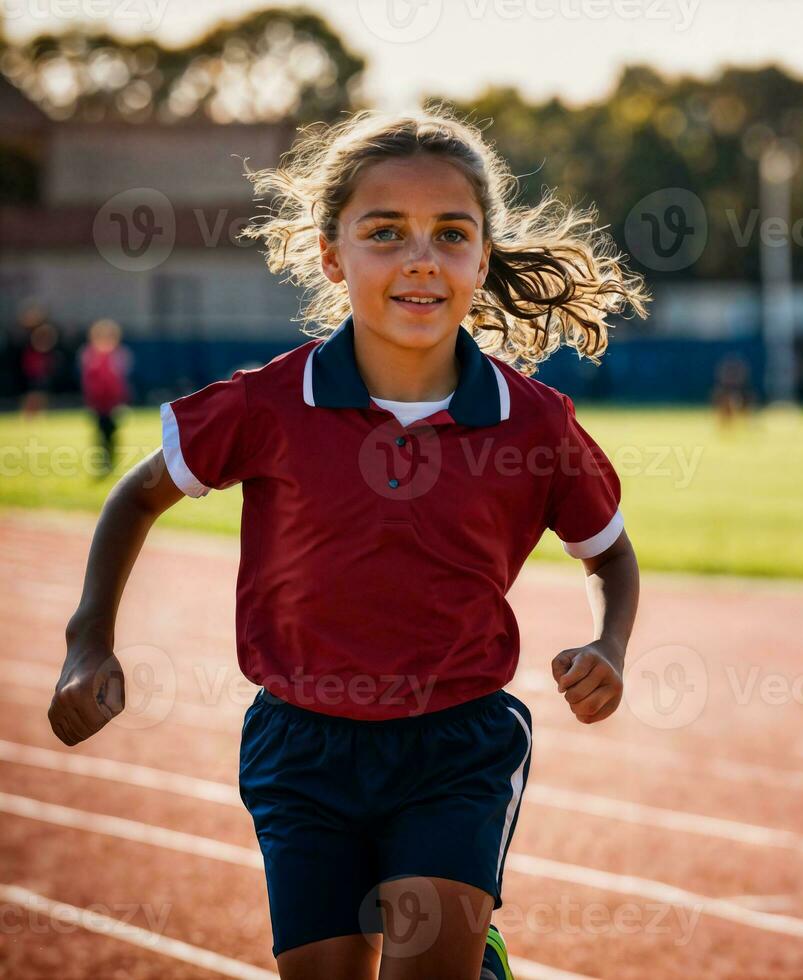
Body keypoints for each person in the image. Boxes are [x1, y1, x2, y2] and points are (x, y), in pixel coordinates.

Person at [48, 106, 649, 980]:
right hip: (301, 749)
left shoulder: (535, 423)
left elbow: (610, 555)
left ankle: (465, 953)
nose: (420, 258)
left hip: (456, 745)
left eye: (451, 234)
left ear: (482, 258)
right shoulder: (269, 405)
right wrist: (87, 641)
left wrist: (612, 644)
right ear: (332, 255)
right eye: (385, 232)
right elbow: (137, 495)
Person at [78, 318, 133, 476]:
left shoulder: (118, 355)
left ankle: (110, 461)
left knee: (112, 432)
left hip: (112, 402)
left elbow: (120, 381)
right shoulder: (90, 355)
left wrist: (121, 399)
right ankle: (102, 461)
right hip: (98, 402)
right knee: (100, 432)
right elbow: (88, 381)